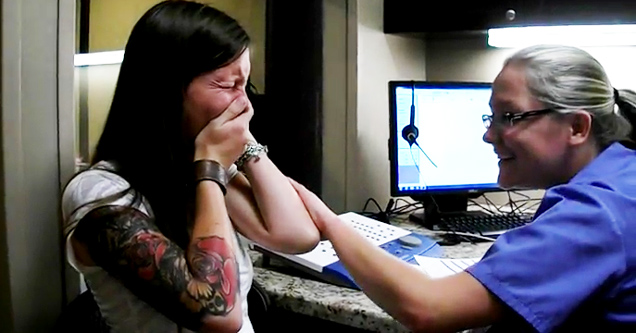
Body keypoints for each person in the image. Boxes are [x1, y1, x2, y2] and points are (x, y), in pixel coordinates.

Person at [289, 44, 636, 332]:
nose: (488, 134)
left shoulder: (594, 214)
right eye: (491, 117)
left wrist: (330, 222)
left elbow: (428, 308)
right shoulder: (622, 177)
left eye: (510, 117)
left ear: (577, 126)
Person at [62, 1, 320, 332]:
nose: (245, 103)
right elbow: (218, 311)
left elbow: (298, 235)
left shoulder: (200, 172)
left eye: (246, 85)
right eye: (228, 85)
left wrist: (243, 142)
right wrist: (210, 166)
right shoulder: (99, 195)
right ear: (168, 90)